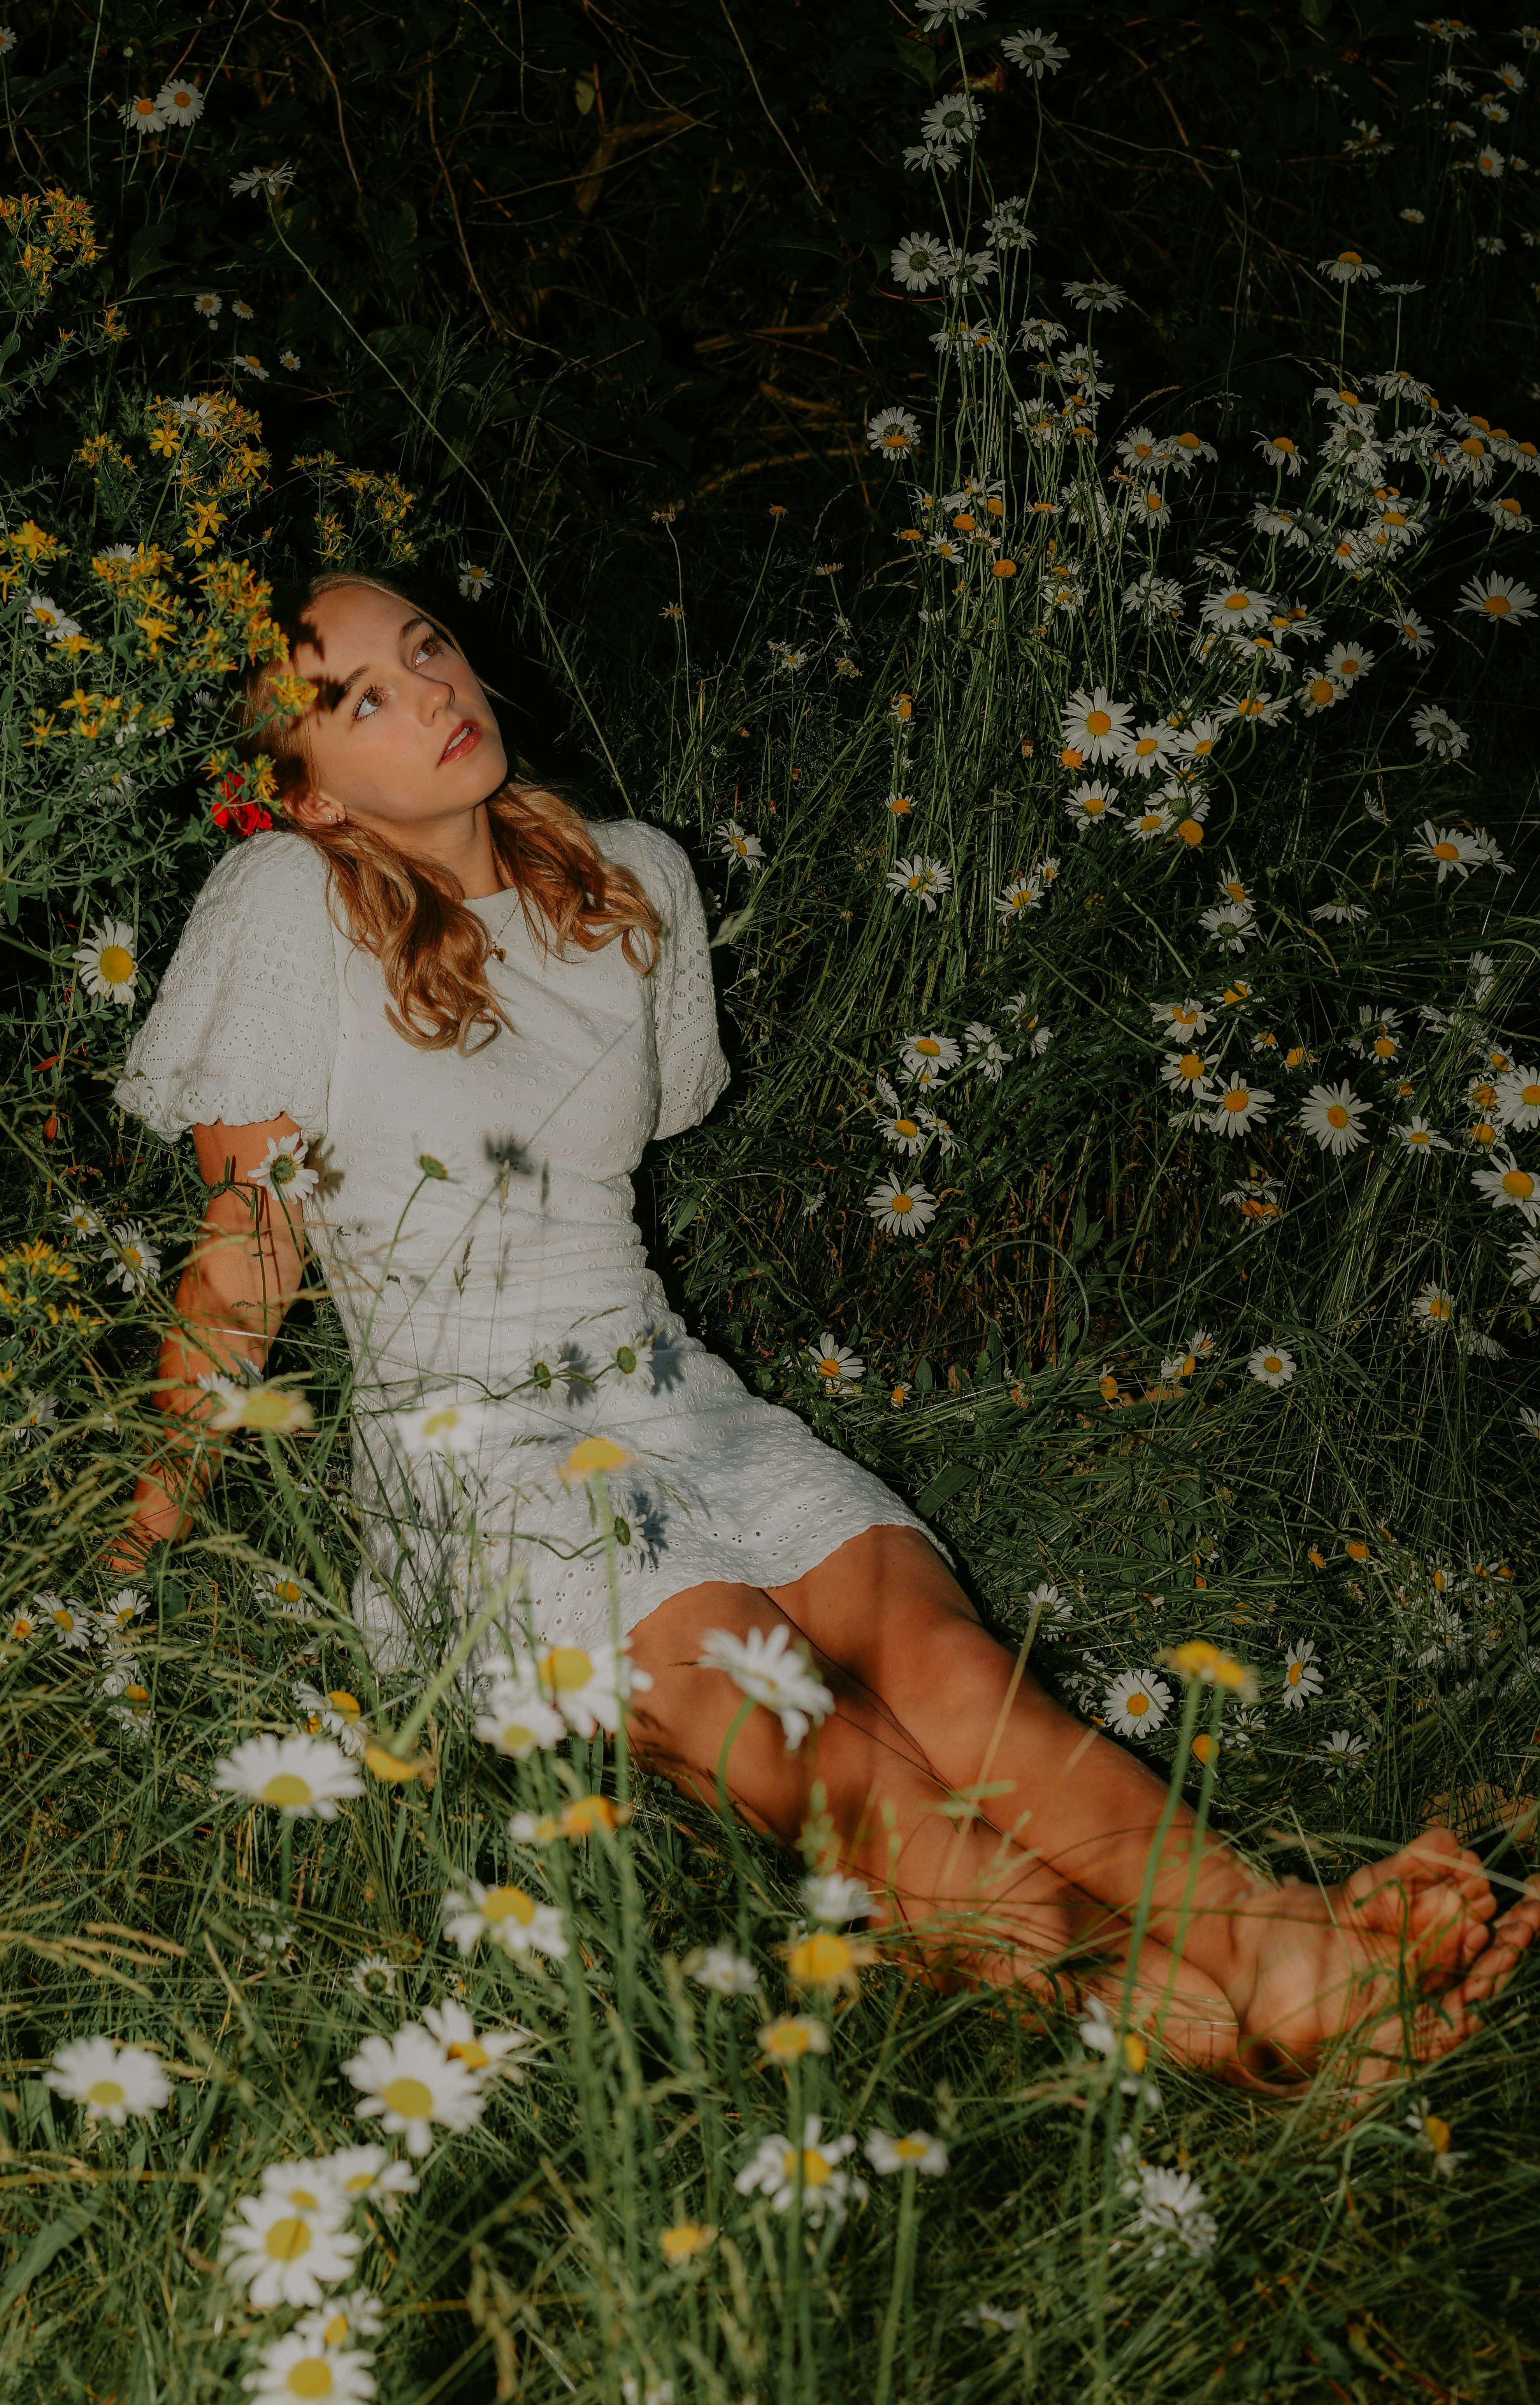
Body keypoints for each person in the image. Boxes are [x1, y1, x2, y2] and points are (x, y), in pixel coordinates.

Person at [112, 571, 1538, 2087]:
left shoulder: (629, 878)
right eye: (362, 701)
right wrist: (136, 1555)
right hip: (477, 1452)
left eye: (428, 650)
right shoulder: (284, 908)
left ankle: (1270, 1940)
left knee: (946, 1669)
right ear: (306, 791)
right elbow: (246, 1257)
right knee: (817, 1738)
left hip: (673, 1392)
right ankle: (1192, 2028)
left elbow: (636, 1137)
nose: (434, 693)